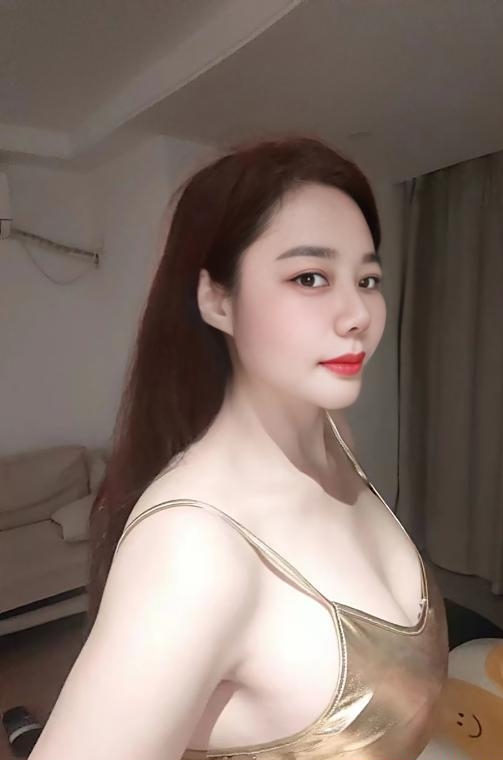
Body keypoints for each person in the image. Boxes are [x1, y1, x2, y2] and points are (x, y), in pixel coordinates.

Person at [30, 136, 448, 760]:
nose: (358, 312)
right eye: (310, 277)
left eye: (368, 279)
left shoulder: (335, 435)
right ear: (218, 300)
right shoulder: (192, 547)